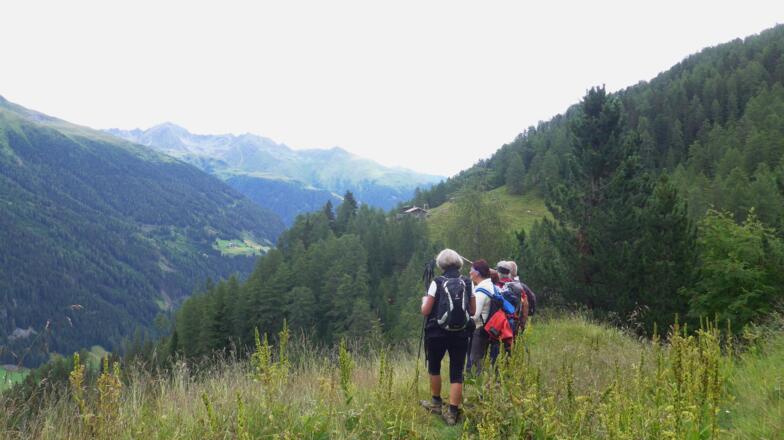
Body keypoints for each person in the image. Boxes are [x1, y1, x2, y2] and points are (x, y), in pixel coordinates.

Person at [420, 248, 476, 426]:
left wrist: (424, 301)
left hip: (437, 332)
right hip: (460, 333)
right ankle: (452, 412)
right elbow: (473, 310)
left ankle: (436, 403)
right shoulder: (467, 282)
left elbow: (426, 311)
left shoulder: (437, 282)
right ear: (458, 263)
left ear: (441, 264)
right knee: (457, 371)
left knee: (434, 366)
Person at [466, 259, 494, 374]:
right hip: (487, 327)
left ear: (477, 273)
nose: (469, 272)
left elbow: (475, 314)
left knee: (475, 362)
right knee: (480, 361)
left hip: (479, 329)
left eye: (471, 270)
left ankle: (477, 382)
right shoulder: (490, 285)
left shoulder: (481, 291)